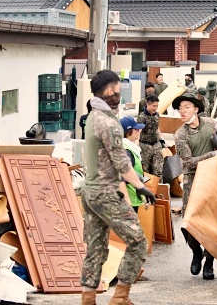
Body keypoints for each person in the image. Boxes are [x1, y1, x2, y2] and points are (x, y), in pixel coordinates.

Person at [80, 70, 156, 305]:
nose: (118, 96)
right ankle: (120, 296)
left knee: (95, 247)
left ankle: (88, 299)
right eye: (115, 91)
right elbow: (121, 161)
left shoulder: (92, 115)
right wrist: (139, 186)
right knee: (137, 242)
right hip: (106, 192)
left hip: (89, 191)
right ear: (108, 91)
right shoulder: (108, 122)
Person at [173, 94, 217, 280]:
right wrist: (211, 154)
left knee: (213, 221)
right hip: (193, 179)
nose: (182, 111)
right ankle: (196, 252)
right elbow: (188, 162)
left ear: (196, 109)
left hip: (215, 177)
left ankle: (210, 261)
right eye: (180, 108)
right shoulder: (180, 134)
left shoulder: (210, 123)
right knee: (188, 223)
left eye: (186, 107)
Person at [120, 116, 146, 213]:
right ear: (129, 131)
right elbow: (122, 175)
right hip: (129, 199)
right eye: (137, 129)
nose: (139, 131)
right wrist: (127, 199)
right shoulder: (127, 150)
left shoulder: (131, 147)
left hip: (133, 196)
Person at [137, 94, 164, 180]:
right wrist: (137, 145)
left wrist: (161, 140)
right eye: (153, 106)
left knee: (158, 170)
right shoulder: (142, 117)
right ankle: (148, 191)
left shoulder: (156, 115)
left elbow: (157, 128)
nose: (155, 108)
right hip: (145, 146)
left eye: (157, 106)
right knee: (145, 170)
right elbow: (138, 132)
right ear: (148, 104)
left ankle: (160, 189)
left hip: (156, 145)